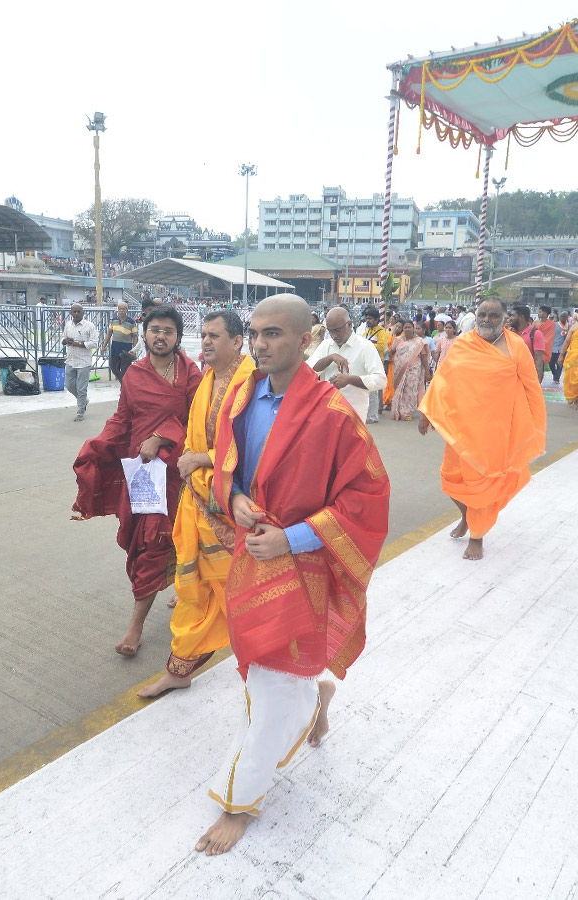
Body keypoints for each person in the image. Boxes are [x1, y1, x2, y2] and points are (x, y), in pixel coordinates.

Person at [194, 295, 390, 856]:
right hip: (249, 558)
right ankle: (318, 700)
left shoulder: (333, 414)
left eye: (273, 334)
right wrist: (232, 500)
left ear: (305, 342)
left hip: (300, 565)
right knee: (259, 664)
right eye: (254, 333)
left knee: (271, 686)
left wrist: (293, 537)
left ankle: (240, 800)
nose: (258, 344)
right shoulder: (240, 396)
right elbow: (226, 468)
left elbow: (369, 494)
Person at [137, 312, 255, 697]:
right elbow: (192, 432)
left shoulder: (252, 381)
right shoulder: (209, 378)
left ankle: (280, 674)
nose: (205, 342)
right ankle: (179, 669)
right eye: (203, 335)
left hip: (228, 508)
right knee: (194, 593)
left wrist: (202, 460)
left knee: (240, 599)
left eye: (214, 336)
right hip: (197, 500)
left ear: (237, 342)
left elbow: (256, 447)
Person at [72, 307, 202, 655]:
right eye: (155, 330)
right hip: (142, 472)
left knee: (161, 538)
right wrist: (98, 444)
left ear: (177, 337)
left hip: (176, 471)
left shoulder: (191, 374)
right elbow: (123, 418)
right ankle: (178, 583)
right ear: (144, 334)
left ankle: (136, 624)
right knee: (144, 540)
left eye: (169, 331)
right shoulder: (135, 374)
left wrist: (161, 436)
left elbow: (201, 421)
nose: (161, 336)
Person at [418, 297, 546, 560]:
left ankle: (477, 536)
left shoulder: (516, 346)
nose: (487, 320)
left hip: (495, 432)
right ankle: (466, 516)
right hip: (461, 428)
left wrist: (535, 425)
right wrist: (427, 412)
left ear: (504, 319)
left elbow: (532, 386)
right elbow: (443, 380)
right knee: (450, 480)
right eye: (482, 314)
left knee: (481, 486)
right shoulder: (464, 343)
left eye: (493, 316)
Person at [306, 306, 386, 423]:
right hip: (326, 412)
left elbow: (380, 380)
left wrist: (349, 380)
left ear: (349, 324)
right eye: (330, 331)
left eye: (337, 330)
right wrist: (331, 358)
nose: (334, 336)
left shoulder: (365, 347)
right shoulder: (326, 345)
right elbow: (308, 371)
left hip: (353, 415)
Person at [61, 303, 98, 422]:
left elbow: (94, 343)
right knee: (69, 385)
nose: (76, 314)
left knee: (82, 388)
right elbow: (63, 340)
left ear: (83, 313)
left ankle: (80, 411)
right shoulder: (68, 325)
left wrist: (78, 344)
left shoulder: (89, 326)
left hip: (84, 361)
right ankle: (84, 400)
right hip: (71, 360)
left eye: (79, 312)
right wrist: (66, 341)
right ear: (71, 313)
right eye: (74, 312)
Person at [390, 320, 431, 421]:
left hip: (413, 369)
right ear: (403, 329)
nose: (407, 329)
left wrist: (427, 371)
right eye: (405, 327)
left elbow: (424, 357)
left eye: (409, 327)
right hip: (399, 369)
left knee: (410, 389)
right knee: (399, 389)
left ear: (413, 328)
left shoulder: (419, 342)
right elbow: (392, 351)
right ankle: (398, 411)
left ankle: (407, 412)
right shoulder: (398, 339)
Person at [362, 306, 388, 423]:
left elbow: (382, 347)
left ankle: (373, 416)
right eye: (366, 318)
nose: (368, 321)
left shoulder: (381, 331)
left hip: (376, 362)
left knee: (373, 390)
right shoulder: (367, 331)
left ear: (377, 319)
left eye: (370, 318)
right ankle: (368, 413)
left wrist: (368, 345)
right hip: (366, 362)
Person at [101, 301, 138, 381]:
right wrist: (104, 346)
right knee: (113, 367)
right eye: (120, 309)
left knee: (125, 370)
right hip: (115, 347)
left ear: (127, 310)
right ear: (117, 309)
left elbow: (135, 336)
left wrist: (134, 350)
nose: (121, 311)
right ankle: (124, 383)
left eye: (123, 309)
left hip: (126, 349)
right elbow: (109, 333)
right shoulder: (114, 320)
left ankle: (124, 386)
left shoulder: (131, 322)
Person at [511, 305, 545, 383]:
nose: (510, 318)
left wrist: (537, 383)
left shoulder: (536, 334)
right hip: (511, 377)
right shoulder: (510, 332)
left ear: (521, 317)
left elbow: (538, 360)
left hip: (527, 378)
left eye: (513, 315)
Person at [558, 318, 578, 408]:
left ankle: (575, 400)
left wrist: (561, 355)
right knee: (573, 378)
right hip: (574, 358)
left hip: (573, 358)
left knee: (573, 378)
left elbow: (567, 341)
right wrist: (561, 355)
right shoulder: (574, 327)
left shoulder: (574, 327)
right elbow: (567, 341)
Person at [550, 310, 569, 383]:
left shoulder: (569, 326)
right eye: (561, 316)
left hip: (562, 348)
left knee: (560, 363)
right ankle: (555, 373)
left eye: (564, 316)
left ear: (567, 317)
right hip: (553, 347)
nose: (562, 318)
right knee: (551, 363)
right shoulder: (555, 325)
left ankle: (557, 378)